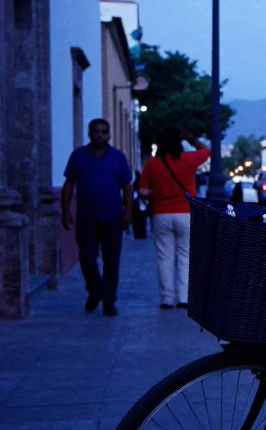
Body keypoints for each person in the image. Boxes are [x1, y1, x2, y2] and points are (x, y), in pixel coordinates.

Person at [60, 118, 134, 316]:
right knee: (88, 256)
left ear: (109, 134)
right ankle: (95, 290)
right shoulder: (78, 156)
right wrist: (65, 209)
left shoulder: (118, 157)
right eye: (96, 132)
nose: (100, 135)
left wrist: (128, 211)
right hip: (86, 218)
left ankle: (109, 300)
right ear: (89, 134)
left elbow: (127, 185)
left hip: (112, 217)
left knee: (111, 260)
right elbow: (69, 184)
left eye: (103, 132)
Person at [138, 126, 210, 309]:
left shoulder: (152, 164)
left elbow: (143, 191)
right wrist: (191, 137)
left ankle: (166, 299)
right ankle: (184, 298)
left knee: (164, 256)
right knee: (185, 255)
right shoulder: (188, 160)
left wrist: (159, 192)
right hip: (186, 213)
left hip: (161, 213)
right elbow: (206, 151)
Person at [131, 170, 149, 240]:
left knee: (136, 220)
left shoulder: (135, 183)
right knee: (142, 220)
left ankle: (137, 234)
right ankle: (142, 233)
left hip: (136, 203)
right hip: (141, 203)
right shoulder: (141, 182)